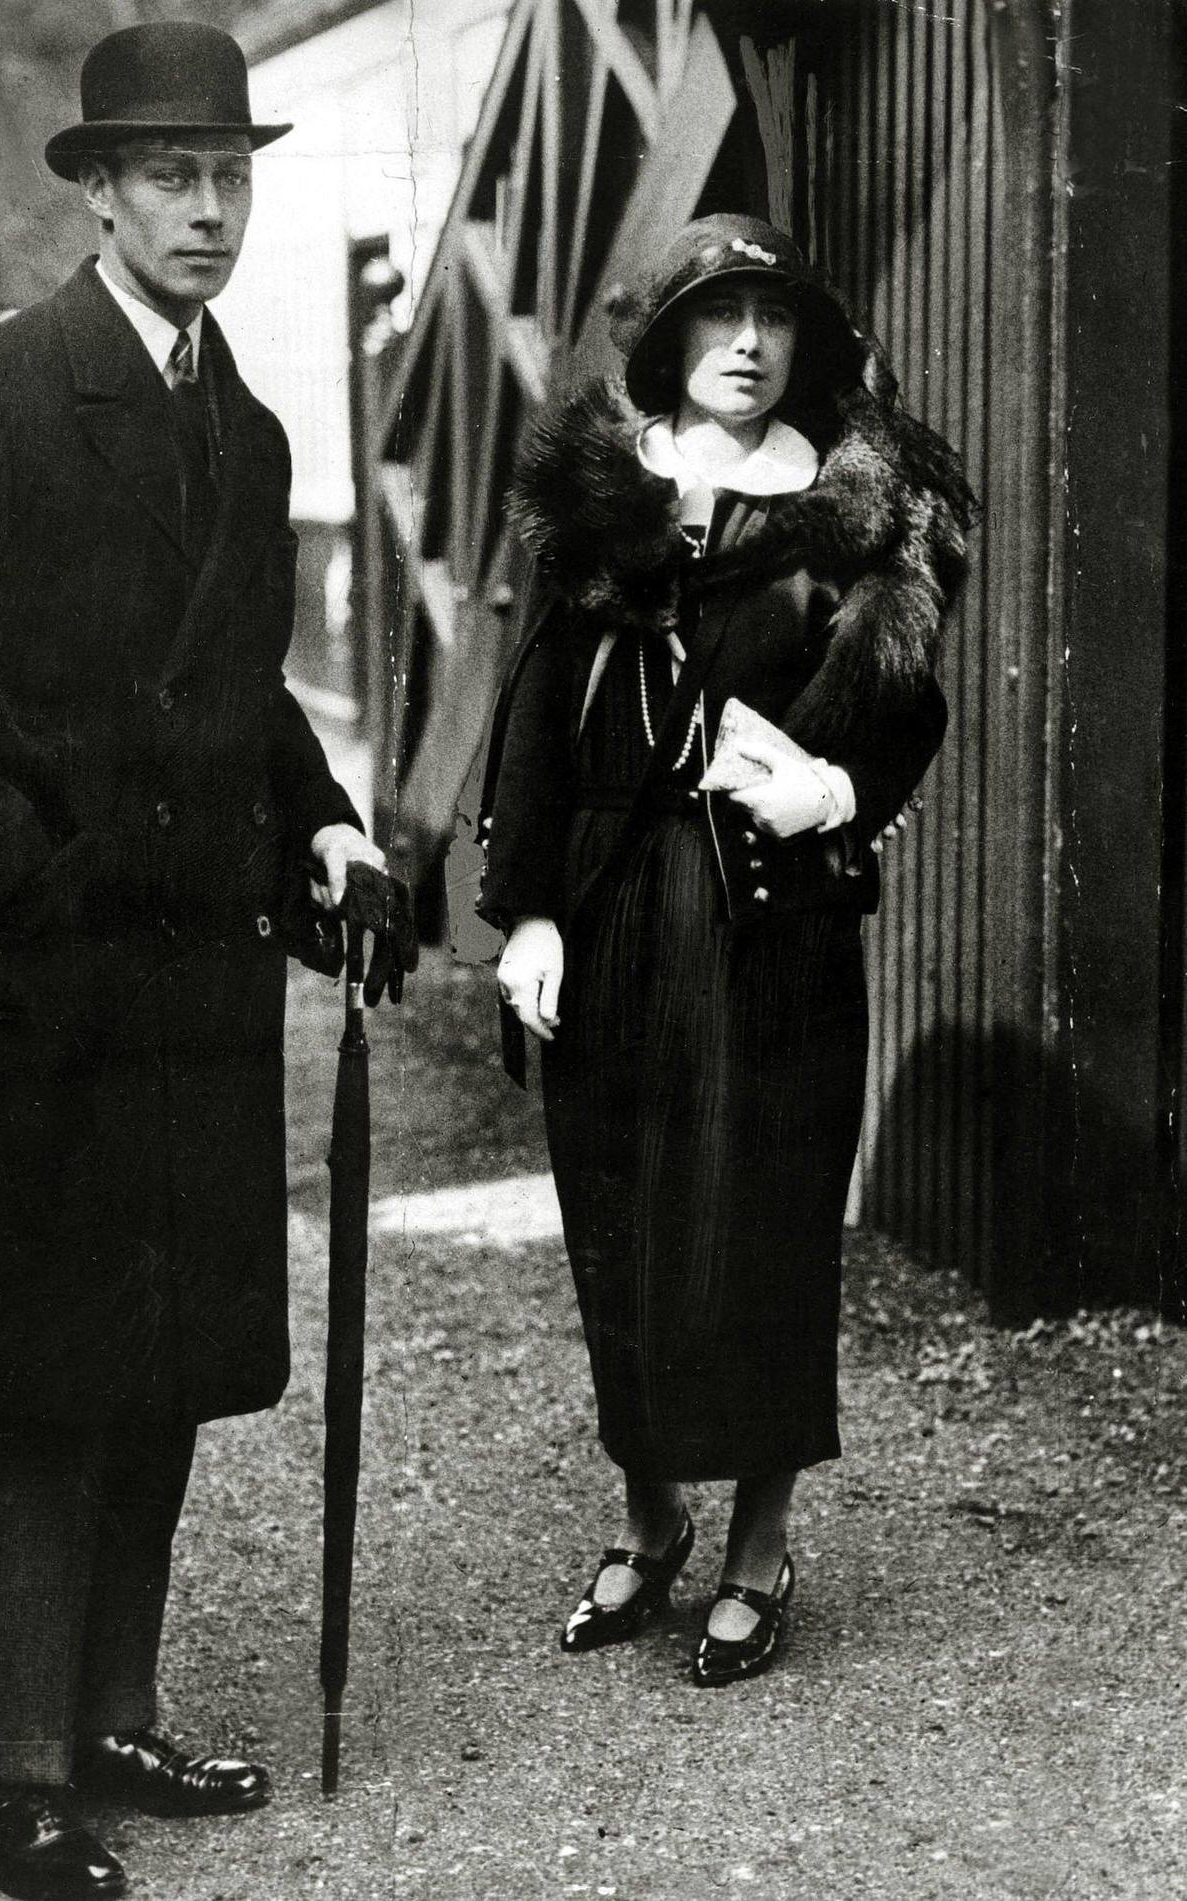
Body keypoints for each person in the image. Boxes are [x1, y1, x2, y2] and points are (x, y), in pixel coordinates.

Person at [0, 24, 411, 1901]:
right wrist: (30, 879)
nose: (209, 207)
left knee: (158, 1361)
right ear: (97, 187)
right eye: (169, 175)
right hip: (31, 989)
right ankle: (10, 1771)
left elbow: (244, 706)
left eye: (231, 174)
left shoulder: (250, 427)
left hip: (193, 991)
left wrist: (325, 823)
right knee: (40, 1379)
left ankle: (113, 1713)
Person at [479, 214, 972, 1689]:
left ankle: (761, 1543)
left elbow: (909, 717)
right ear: (671, 344)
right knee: (617, 1221)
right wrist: (538, 914)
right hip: (620, 920)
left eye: (771, 317)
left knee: (762, 1229)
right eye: (718, 317)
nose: (748, 344)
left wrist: (836, 792)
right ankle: (651, 1523)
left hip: (777, 934)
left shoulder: (854, 521)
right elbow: (531, 725)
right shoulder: (610, 507)